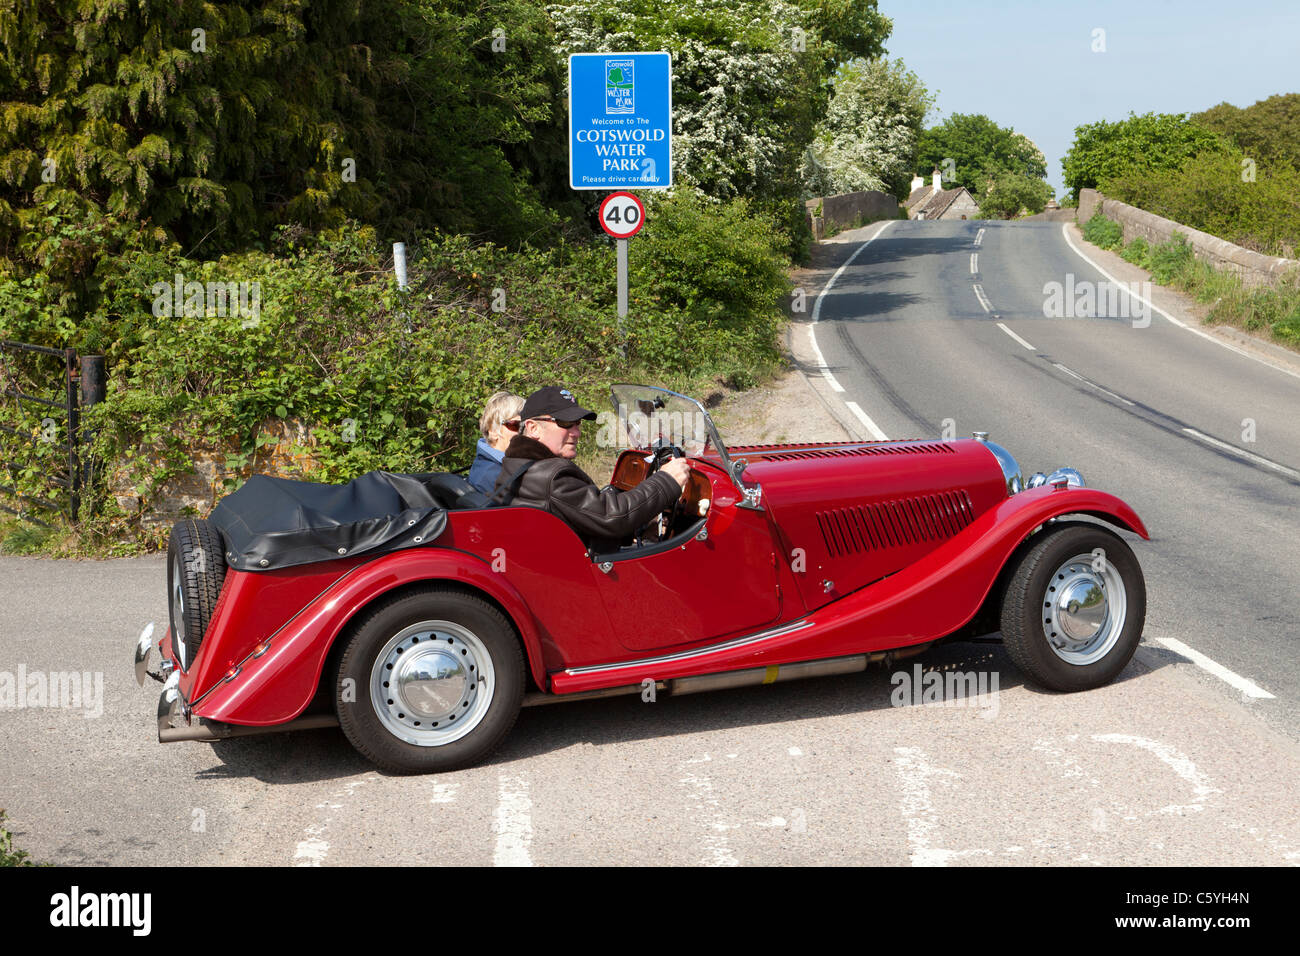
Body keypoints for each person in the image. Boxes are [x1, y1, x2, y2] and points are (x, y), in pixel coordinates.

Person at [493, 385, 691, 552]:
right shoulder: (551, 476)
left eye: (577, 423)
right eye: (565, 423)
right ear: (533, 428)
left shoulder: (517, 463)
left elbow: (583, 512)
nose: (576, 432)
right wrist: (667, 480)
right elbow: (613, 517)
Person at [468, 391, 524, 494]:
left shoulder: (487, 465)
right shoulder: (495, 478)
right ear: (493, 431)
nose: (523, 432)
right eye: (515, 425)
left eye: (527, 426)